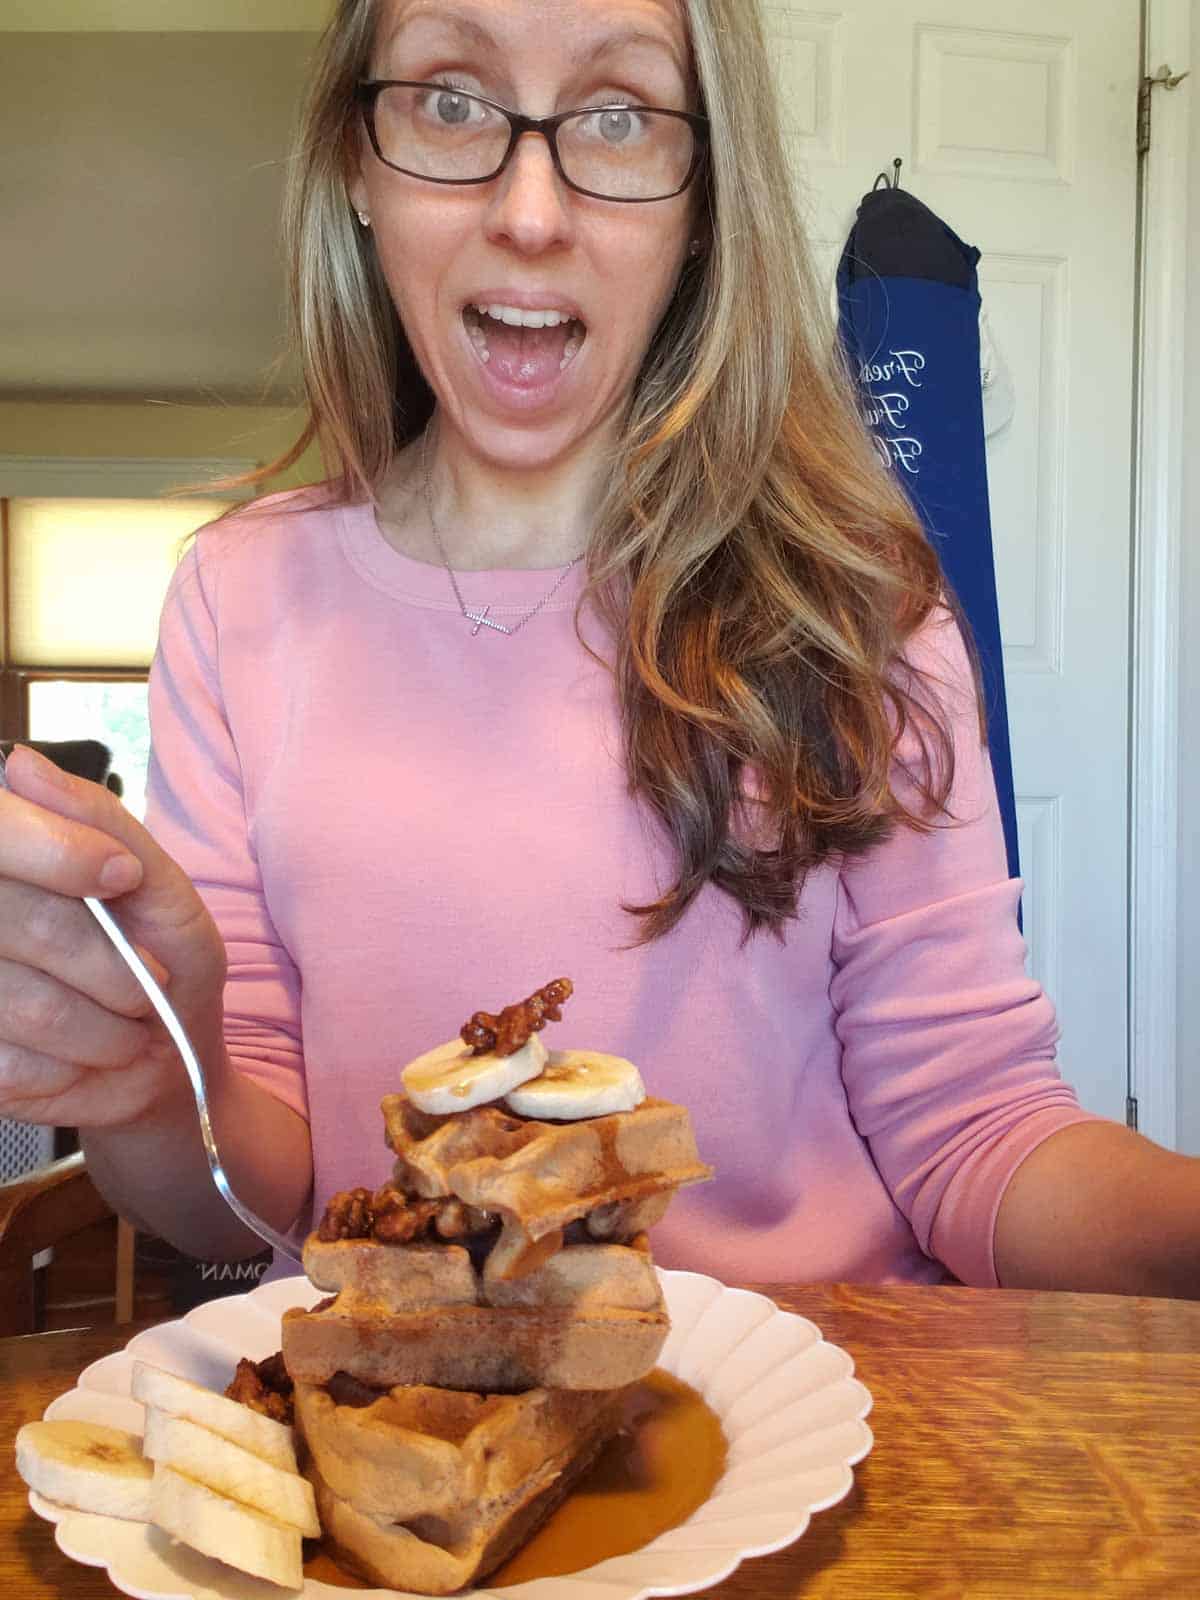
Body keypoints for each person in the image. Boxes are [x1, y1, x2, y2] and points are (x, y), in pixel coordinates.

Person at [0, 0, 1196, 1298]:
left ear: (705, 200)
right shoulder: (239, 602)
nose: (529, 211)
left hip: (847, 1422)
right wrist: (146, 1083)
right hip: (424, 1431)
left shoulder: (862, 608)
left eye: (618, 115)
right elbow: (247, 1201)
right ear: (358, 161)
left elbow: (978, 1132)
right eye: (451, 100)